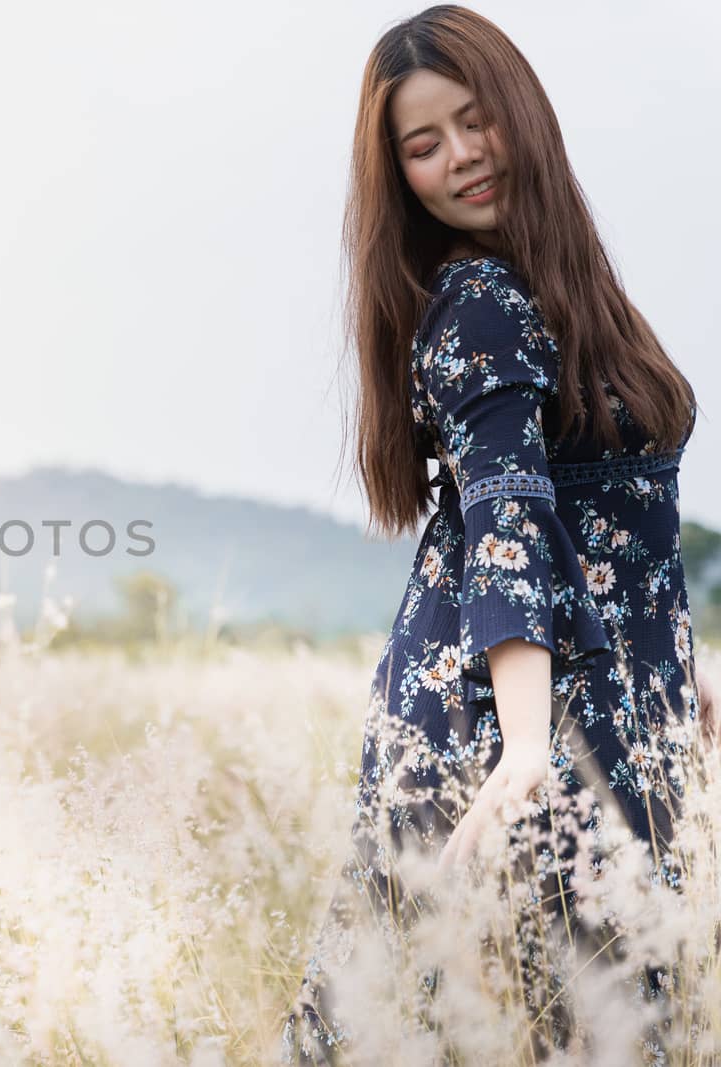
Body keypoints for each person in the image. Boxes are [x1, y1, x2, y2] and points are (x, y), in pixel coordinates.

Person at [281, 6, 715, 1061]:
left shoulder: (569, 287)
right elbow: (507, 520)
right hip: (511, 707)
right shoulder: (478, 300)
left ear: (521, 112)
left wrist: (678, 667)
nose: (459, 157)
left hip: (590, 692)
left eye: (473, 122)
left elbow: (612, 522)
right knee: (564, 1021)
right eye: (421, 145)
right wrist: (524, 743)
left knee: (606, 1016)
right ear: (397, 176)